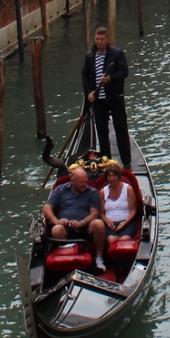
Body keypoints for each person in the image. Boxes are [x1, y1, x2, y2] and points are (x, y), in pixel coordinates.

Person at [82, 27, 132, 169]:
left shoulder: (117, 54)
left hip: (115, 96)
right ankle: (106, 162)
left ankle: (126, 163)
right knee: (102, 131)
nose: (99, 42)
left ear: (107, 40)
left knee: (121, 129)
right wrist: (89, 92)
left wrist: (111, 78)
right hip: (98, 99)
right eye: (97, 39)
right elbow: (85, 75)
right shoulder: (90, 56)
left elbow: (124, 72)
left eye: (101, 39)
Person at [43, 166, 107, 271]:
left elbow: (94, 213)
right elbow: (46, 208)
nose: (84, 184)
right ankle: (66, 258)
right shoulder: (60, 190)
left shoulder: (92, 192)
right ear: (72, 181)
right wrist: (57, 221)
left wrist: (82, 222)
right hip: (66, 227)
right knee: (56, 229)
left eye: (85, 181)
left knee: (98, 224)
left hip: (85, 226)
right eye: (81, 182)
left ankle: (99, 258)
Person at [100, 163, 138, 241]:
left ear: (118, 176)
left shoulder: (128, 189)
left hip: (127, 222)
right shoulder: (103, 192)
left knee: (124, 239)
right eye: (109, 176)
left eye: (114, 176)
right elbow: (101, 213)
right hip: (110, 224)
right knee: (112, 240)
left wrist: (125, 222)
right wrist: (107, 221)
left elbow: (133, 211)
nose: (112, 178)